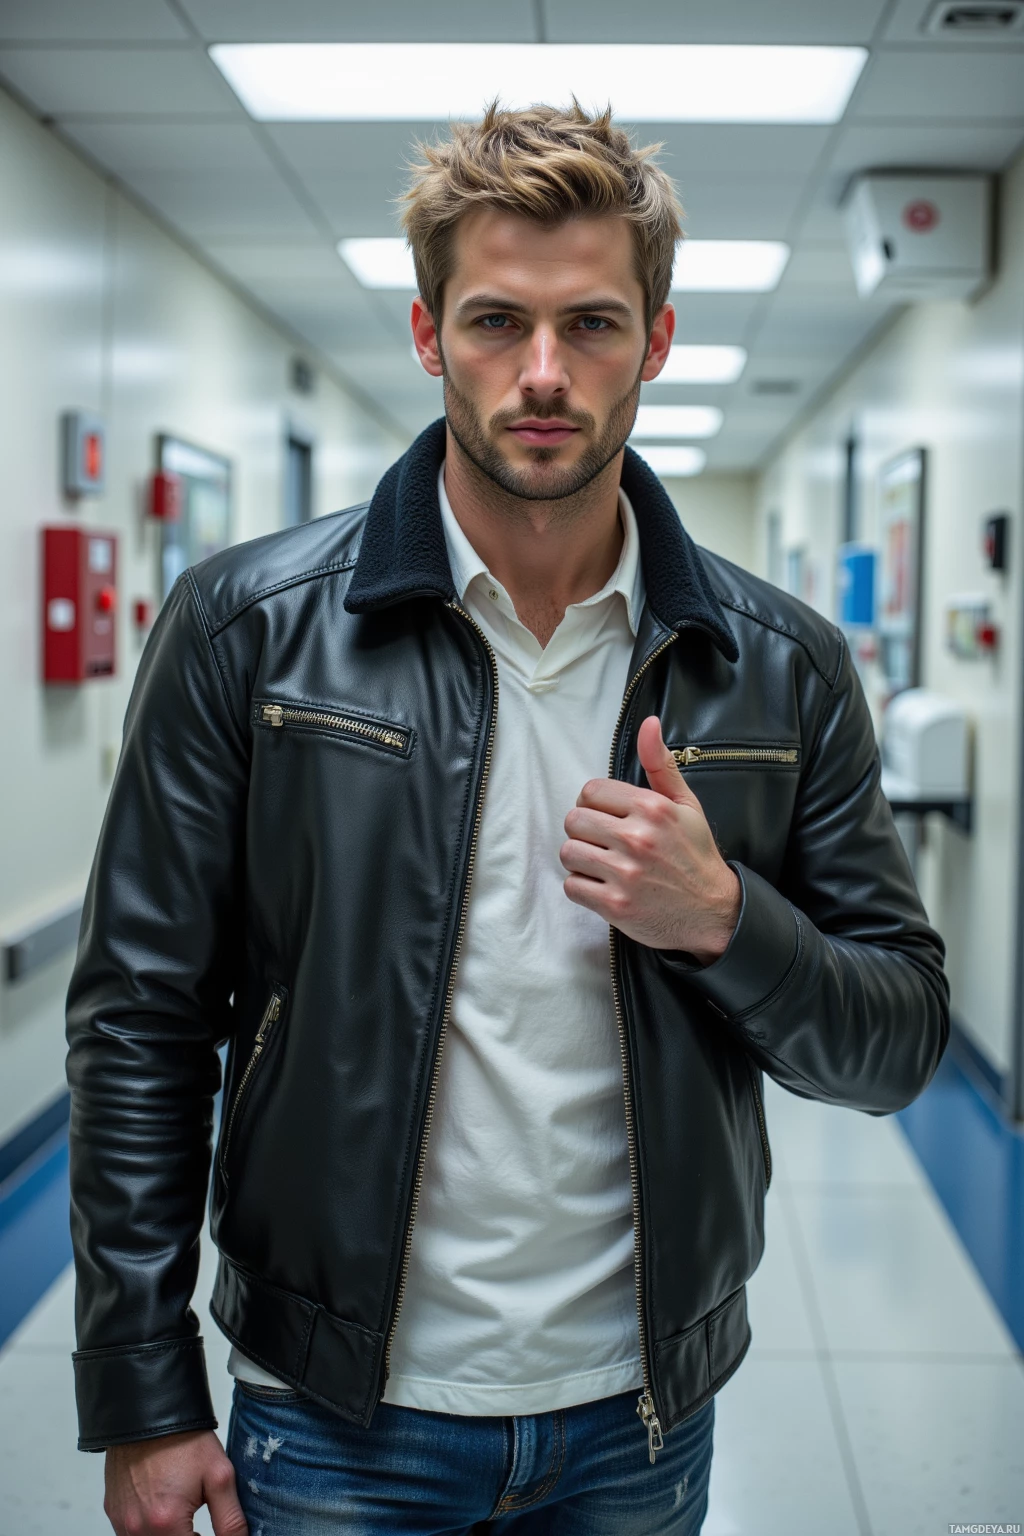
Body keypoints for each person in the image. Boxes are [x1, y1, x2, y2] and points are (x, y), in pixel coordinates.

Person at [66, 103, 949, 1536]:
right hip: (337, 1407)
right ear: (427, 335)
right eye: (495, 322)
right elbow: (140, 1020)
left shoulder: (778, 664)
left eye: (594, 325)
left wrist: (726, 924)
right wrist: (143, 1391)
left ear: (657, 342)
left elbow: (899, 1036)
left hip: (637, 1414)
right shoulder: (251, 631)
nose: (544, 375)